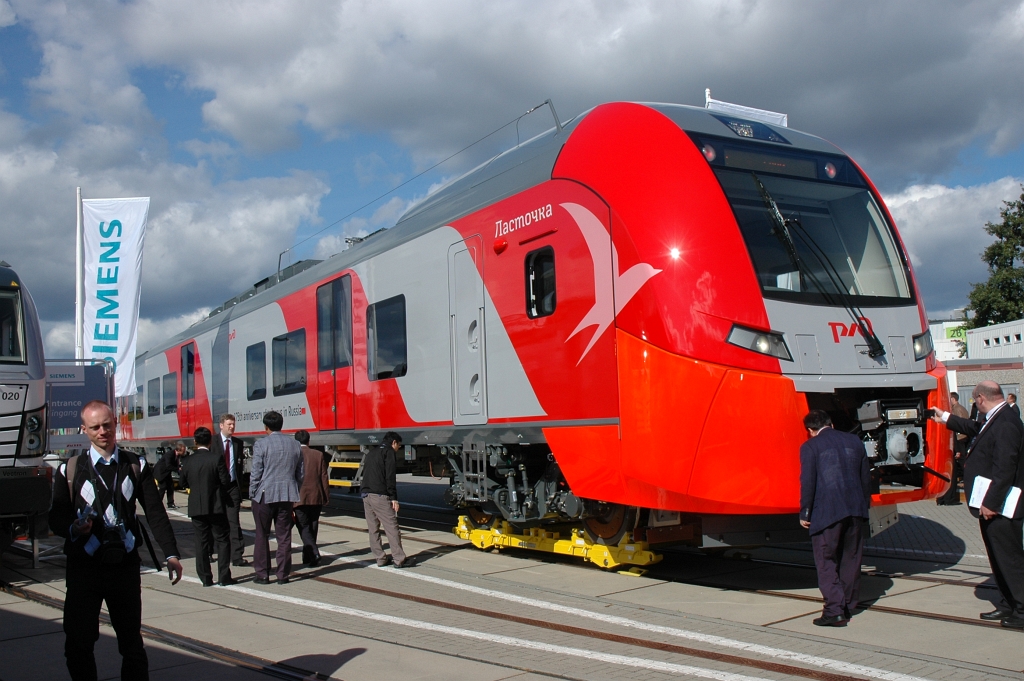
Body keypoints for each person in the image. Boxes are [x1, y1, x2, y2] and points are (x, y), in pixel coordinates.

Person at [49, 400, 183, 680]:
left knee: (131, 643)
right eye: (95, 427)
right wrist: (74, 527)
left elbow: (155, 513)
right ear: (84, 430)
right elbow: (56, 518)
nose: (102, 432)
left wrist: (171, 554)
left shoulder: (136, 465)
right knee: (78, 644)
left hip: (123, 567)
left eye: (107, 425)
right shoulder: (70, 470)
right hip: (84, 568)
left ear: (115, 426)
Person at [932, 380, 1024, 628]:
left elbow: (1005, 468)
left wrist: (991, 502)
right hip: (991, 505)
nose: (975, 406)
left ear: (981, 398)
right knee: (997, 557)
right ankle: (1008, 604)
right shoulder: (996, 417)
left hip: (1001, 506)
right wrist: (945, 417)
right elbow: (974, 427)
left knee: (1010, 558)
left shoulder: (1006, 423)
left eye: (975, 401)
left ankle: (1022, 610)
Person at [798, 410, 871, 627]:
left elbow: (808, 482)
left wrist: (805, 512)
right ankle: (848, 605)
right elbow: (865, 477)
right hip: (855, 509)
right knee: (851, 558)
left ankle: (834, 610)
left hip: (827, 512)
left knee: (826, 560)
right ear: (830, 423)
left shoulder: (810, 446)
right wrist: (864, 506)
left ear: (810, 431)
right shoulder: (854, 441)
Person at [249, 410, 303, 584]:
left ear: (266, 427)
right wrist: (295, 489)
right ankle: (283, 574)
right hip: (286, 494)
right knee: (284, 536)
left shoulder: (261, 445)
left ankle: (263, 574)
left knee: (262, 534)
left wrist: (252, 493)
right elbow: (300, 473)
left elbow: (256, 472)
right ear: (282, 425)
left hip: (265, 494)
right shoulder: (294, 444)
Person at [178, 427, 234, 587]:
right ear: (210, 441)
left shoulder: (187, 461)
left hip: (196, 507)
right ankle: (224, 576)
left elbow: (182, 483)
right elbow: (225, 481)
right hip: (216, 506)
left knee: (201, 542)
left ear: (195, 442)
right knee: (222, 540)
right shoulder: (216, 459)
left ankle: (205, 578)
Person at [361, 431, 413, 568]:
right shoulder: (388, 452)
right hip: (380, 495)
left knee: (373, 529)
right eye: (399, 446)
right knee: (392, 527)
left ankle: (380, 558)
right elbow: (390, 476)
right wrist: (393, 498)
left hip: (366, 495)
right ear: (394, 442)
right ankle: (399, 559)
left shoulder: (371, 452)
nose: (398, 448)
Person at [211, 413, 249, 566]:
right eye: (229, 424)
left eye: (233, 424)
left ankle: (237, 555)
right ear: (221, 425)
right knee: (215, 521)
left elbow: (238, 466)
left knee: (234, 522)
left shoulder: (238, 443)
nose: (232, 427)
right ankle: (212, 552)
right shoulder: (213, 442)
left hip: (232, 487)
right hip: (217, 487)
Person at [294, 430, 330, 568]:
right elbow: (323, 477)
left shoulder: (294, 455)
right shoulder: (318, 454)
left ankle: (314, 553)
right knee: (313, 526)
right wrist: (326, 496)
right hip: (316, 496)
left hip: (299, 497)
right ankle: (308, 557)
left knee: (303, 527)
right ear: (309, 441)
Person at [937, 392, 969, 506]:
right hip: (953, 444)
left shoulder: (957, 410)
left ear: (953, 399)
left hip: (954, 442)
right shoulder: (954, 410)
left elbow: (958, 427)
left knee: (952, 469)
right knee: (953, 471)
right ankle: (947, 499)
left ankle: (942, 499)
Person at [154, 441, 183, 509]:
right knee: (163, 487)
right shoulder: (170, 454)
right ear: (178, 450)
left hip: (166, 473)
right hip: (161, 473)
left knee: (170, 487)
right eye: (183, 451)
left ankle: (170, 503)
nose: (184, 453)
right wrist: (178, 469)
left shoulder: (177, 455)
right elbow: (168, 465)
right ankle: (157, 504)